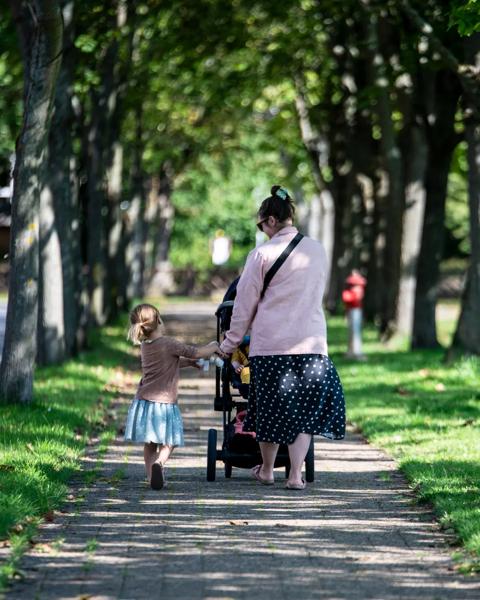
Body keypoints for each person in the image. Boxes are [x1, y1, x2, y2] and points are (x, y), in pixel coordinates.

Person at [217, 185, 346, 490]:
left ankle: (266, 471)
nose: (262, 230)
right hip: (312, 344)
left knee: (269, 412)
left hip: (271, 347)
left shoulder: (262, 253)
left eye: (261, 225)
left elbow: (244, 305)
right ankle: (296, 475)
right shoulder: (317, 250)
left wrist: (229, 344)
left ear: (272, 220)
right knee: (303, 413)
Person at [124, 303, 219, 490]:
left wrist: (191, 364)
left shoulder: (146, 346)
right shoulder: (169, 343)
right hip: (165, 403)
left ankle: (151, 476)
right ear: (159, 320)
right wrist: (213, 346)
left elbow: (168, 362)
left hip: (145, 402)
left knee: (150, 443)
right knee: (171, 441)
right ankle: (160, 462)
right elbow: (197, 352)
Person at [342, 270, 367, 360]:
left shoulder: (357, 289)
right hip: (352, 310)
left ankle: (356, 351)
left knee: (355, 331)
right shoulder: (355, 289)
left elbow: (352, 299)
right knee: (352, 331)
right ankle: (351, 351)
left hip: (355, 311)